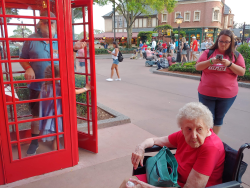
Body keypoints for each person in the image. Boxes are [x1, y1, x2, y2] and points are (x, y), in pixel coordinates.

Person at [19, 11, 87, 156]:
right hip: (37, 86)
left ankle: (56, 139)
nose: (51, 29)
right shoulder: (31, 40)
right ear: (40, 24)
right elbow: (22, 58)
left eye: (53, 25)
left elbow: (69, 61)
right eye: (47, 25)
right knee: (36, 116)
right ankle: (34, 142)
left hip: (57, 87)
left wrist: (75, 48)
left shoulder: (61, 39)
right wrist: (28, 67)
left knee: (59, 114)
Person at [119, 102, 225, 188]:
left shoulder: (210, 148)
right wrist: (140, 147)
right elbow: (154, 140)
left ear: (207, 128)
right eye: (189, 129)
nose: (193, 135)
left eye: (199, 129)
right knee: (127, 183)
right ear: (182, 128)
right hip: (171, 179)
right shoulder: (182, 135)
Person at [196, 29, 246, 135]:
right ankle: (205, 140)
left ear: (231, 42)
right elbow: (198, 66)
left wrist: (229, 64)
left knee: (218, 118)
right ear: (217, 40)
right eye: (221, 41)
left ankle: (213, 141)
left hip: (227, 95)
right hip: (206, 93)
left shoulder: (236, 55)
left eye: (226, 42)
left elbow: (242, 72)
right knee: (206, 119)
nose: (223, 44)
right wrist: (210, 61)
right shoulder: (208, 52)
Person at [39, 65, 90, 150]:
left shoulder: (45, 85)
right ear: (58, 76)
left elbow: (40, 98)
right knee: (57, 131)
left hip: (48, 112)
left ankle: (55, 144)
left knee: (54, 129)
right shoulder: (60, 86)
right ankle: (56, 149)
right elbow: (75, 92)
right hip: (57, 112)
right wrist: (86, 88)